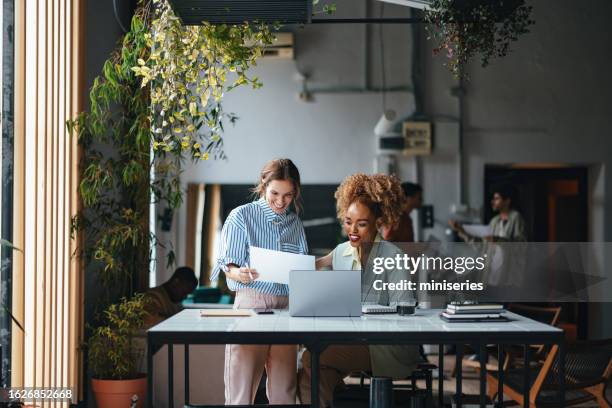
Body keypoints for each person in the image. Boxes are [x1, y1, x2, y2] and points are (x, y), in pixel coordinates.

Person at [298, 173, 421, 408]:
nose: (352, 230)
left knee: (311, 359)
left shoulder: (394, 256)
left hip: (386, 344)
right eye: (348, 221)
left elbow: (405, 312)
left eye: (361, 223)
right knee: (307, 373)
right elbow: (312, 265)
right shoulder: (341, 251)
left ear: (378, 221)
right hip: (354, 337)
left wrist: (364, 312)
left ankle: (334, 392)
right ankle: (334, 393)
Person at [211, 158, 308, 405]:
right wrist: (238, 273)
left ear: (295, 192)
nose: (280, 201)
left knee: (284, 393)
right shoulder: (241, 216)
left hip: (285, 309)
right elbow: (228, 267)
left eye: (288, 195)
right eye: (275, 192)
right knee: (240, 394)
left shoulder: (295, 223)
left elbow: (301, 270)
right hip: (250, 306)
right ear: (263, 185)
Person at [449, 184, 527, 243]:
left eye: (497, 199)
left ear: (507, 201)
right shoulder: (494, 221)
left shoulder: (516, 217)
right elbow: (482, 244)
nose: (492, 202)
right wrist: (461, 230)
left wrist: (497, 240)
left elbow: (521, 244)